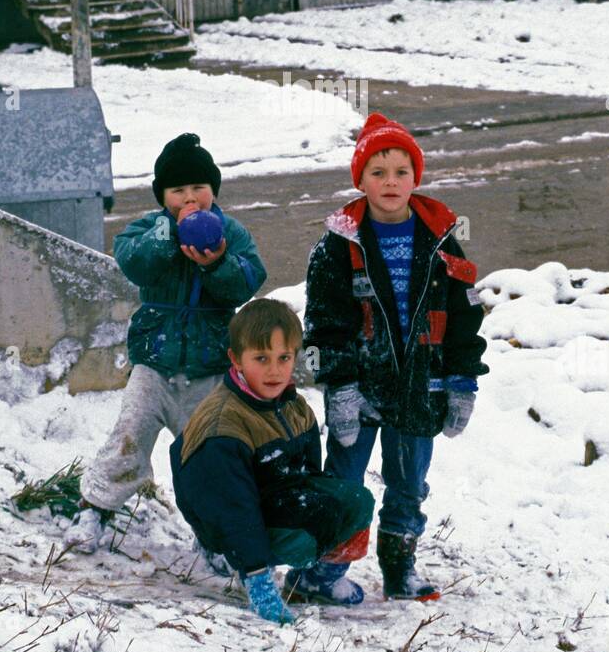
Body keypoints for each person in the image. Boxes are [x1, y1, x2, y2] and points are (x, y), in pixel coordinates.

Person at [298, 111, 489, 604]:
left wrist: (462, 380)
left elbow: (465, 315)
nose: (390, 182)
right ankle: (320, 572)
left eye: (401, 171)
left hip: (419, 385)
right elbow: (323, 324)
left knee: (408, 485)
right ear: (359, 179)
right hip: (358, 388)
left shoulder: (442, 238)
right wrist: (337, 386)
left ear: (415, 178)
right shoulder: (337, 248)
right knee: (343, 482)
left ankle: (399, 567)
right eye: (377, 172)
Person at [66, 132, 266, 551]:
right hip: (153, 364)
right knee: (129, 435)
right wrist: (170, 238)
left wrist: (218, 265)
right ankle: (94, 507)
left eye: (199, 188)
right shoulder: (151, 229)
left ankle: (212, 537)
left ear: (214, 190)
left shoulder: (231, 232)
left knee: (206, 455)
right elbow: (131, 261)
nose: (189, 199)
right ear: (163, 197)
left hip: (209, 369)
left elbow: (248, 281)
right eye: (178, 191)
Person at [170, 298, 375, 622]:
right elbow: (233, 508)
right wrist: (261, 583)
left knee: (355, 500)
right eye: (261, 358)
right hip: (224, 515)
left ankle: (317, 581)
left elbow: (308, 474)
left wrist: (324, 510)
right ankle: (226, 558)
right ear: (236, 359)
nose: (274, 370)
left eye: (283, 358)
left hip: (268, 495)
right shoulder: (223, 427)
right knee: (305, 536)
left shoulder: (294, 407)